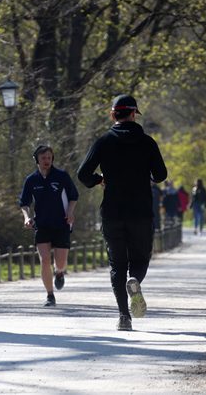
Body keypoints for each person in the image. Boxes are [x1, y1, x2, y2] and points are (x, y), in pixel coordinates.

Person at [77, 94, 167, 332]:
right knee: (140, 259)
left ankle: (123, 316)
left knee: (117, 264)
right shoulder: (147, 142)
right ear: (134, 114)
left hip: (113, 212)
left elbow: (83, 174)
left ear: (113, 115)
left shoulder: (103, 141)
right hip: (140, 211)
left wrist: (100, 180)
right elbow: (161, 175)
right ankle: (135, 279)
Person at [19, 145, 79, 307]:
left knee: (60, 263)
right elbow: (24, 203)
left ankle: (59, 273)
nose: (47, 161)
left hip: (62, 224)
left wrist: (71, 212)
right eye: (43, 158)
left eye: (49, 158)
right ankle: (50, 295)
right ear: (36, 159)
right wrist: (26, 217)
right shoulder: (31, 180)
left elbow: (73, 196)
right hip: (42, 224)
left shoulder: (61, 176)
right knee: (44, 260)